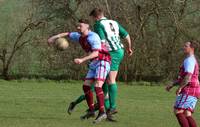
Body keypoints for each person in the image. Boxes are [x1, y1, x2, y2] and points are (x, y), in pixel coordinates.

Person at [48, 19, 111, 123]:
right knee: (86, 86)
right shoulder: (79, 36)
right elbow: (67, 34)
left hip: (103, 60)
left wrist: (82, 59)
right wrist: (54, 37)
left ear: (87, 26)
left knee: (98, 86)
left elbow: (96, 53)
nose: (78, 28)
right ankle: (91, 110)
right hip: (94, 62)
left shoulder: (93, 36)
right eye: (77, 26)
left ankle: (102, 112)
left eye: (80, 26)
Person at [89, 8, 133, 115]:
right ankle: (105, 107)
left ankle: (112, 107)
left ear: (96, 17)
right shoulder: (114, 22)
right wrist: (129, 48)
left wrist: (95, 54)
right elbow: (127, 36)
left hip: (111, 52)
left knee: (110, 80)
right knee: (103, 79)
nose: (94, 21)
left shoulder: (98, 24)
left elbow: (102, 41)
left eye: (94, 18)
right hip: (119, 51)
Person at [166, 41, 200, 127]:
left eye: (186, 46)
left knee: (178, 111)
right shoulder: (192, 59)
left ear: (192, 48)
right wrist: (173, 84)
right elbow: (183, 77)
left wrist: (180, 88)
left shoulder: (189, 60)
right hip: (195, 89)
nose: (183, 47)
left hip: (189, 89)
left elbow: (188, 77)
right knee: (187, 113)